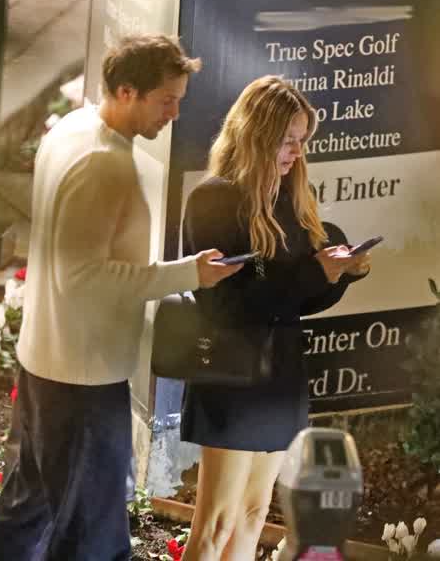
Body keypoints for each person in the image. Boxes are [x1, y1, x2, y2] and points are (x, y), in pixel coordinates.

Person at [0, 34, 242, 561]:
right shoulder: (106, 164)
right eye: (166, 100)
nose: (174, 113)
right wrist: (186, 274)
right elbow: (84, 277)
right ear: (126, 91)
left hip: (43, 362)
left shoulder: (71, 128)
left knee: (27, 508)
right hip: (84, 382)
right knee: (91, 537)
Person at [180, 76, 370, 561]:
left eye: (302, 140)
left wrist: (338, 274)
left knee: (253, 513)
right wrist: (314, 272)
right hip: (232, 373)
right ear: (257, 135)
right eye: (287, 140)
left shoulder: (290, 201)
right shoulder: (214, 199)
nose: (297, 152)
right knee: (216, 522)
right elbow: (227, 305)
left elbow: (295, 302)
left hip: (280, 373)